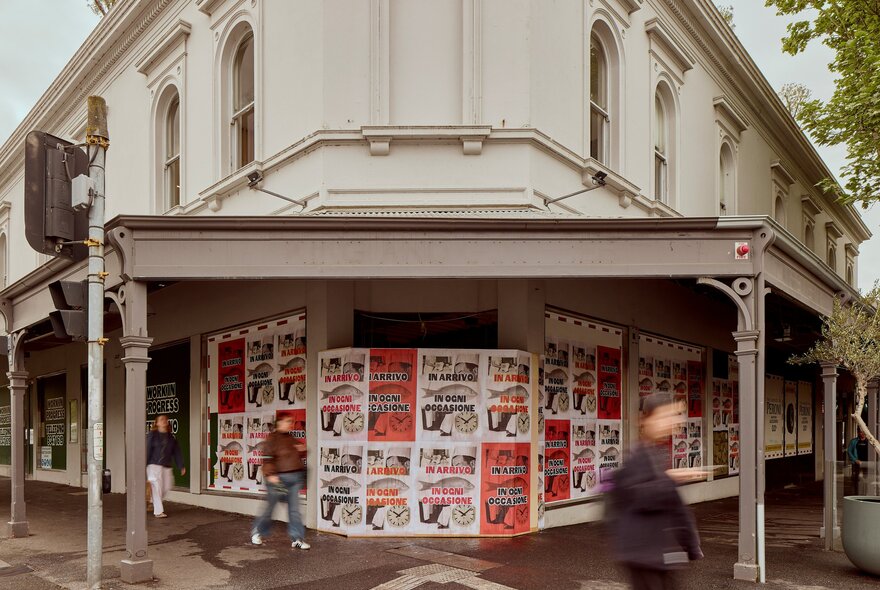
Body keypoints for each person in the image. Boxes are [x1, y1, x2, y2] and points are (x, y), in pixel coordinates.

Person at [606, 394, 702, 590]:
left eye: (673, 416)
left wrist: (690, 544)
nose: (671, 422)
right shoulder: (636, 457)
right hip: (643, 557)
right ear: (645, 420)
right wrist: (672, 479)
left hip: (659, 555)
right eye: (664, 416)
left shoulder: (656, 453)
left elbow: (673, 506)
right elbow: (640, 497)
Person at [251, 414, 310, 549]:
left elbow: (298, 454)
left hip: (294, 479)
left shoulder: (290, 438)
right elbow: (266, 458)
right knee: (271, 507)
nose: (291, 424)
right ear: (279, 422)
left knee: (294, 510)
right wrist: (271, 474)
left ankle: (297, 539)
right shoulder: (272, 439)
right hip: (278, 480)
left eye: (292, 422)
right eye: (288, 421)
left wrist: (302, 450)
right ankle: (257, 531)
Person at [146, 415, 186, 519]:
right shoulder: (152, 435)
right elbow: (147, 450)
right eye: (161, 419)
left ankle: (152, 499)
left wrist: (181, 465)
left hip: (166, 466)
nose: (164, 421)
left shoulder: (171, 437)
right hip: (153, 465)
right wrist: (144, 464)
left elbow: (177, 452)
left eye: (165, 419)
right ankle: (158, 511)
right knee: (157, 487)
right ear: (157, 423)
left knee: (167, 486)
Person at [848, 428, 870, 495]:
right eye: (861, 432)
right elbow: (849, 451)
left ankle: (866, 493)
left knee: (867, 479)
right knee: (856, 479)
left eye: (863, 432)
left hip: (867, 463)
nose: (862, 434)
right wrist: (855, 460)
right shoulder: (854, 441)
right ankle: (856, 494)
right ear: (858, 433)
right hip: (857, 463)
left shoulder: (869, 441)